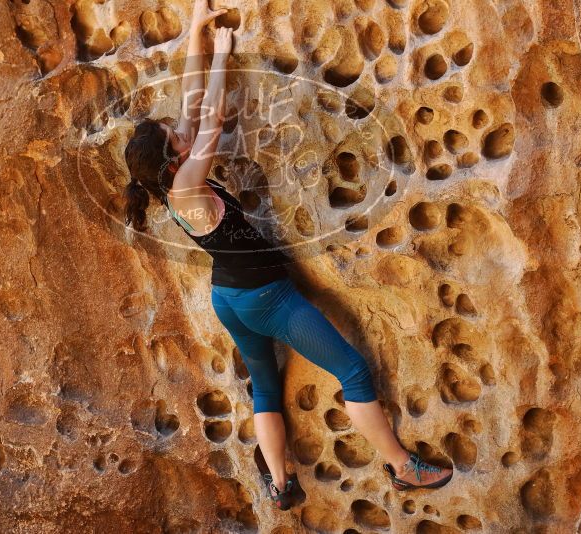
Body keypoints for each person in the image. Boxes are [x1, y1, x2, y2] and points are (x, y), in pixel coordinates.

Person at [123, 0, 452, 511]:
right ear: (173, 158)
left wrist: (198, 26)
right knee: (354, 373)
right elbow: (207, 122)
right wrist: (226, 54)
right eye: (175, 135)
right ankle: (403, 467)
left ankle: (282, 484)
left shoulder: (171, 181)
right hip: (265, 299)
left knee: (266, 388)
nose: (180, 129)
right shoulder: (187, 183)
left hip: (229, 297)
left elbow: (190, 102)